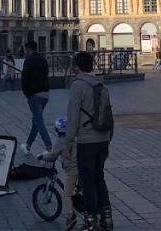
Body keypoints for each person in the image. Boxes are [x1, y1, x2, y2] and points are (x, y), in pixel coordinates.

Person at [67, 51, 113, 231]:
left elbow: (72, 117)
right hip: (103, 138)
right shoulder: (100, 84)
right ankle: (107, 218)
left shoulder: (77, 85)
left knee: (87, 181)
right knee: (99, 178)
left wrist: (68, 144)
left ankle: (91, 221)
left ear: (77, 66)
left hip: (87, 141)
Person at [37, 117, 78, 229]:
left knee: (67, 194)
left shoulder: (61, 141)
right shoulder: (75, 136)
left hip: (73, 169)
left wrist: (42, 157)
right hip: (83, 167)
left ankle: (70, 217)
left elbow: (52, 156)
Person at [22, 41, 53, 155]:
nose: (25, 53)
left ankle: (49, 146)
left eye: (26, 51)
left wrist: (26, 92)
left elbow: (24, 78)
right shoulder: (43, 59)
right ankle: (28, 145)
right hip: (45, 93)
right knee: (36, 120)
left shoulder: (28, 61)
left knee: (39, 121)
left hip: (34, 94)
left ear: (29, 50)